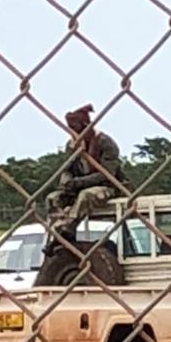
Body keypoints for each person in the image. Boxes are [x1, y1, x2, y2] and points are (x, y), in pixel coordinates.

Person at [46, 105, 125, 246]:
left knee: (86, 195)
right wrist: (67, 183)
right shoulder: (71, 145)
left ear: (85, 127)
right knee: (53, 198)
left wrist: (79, 182)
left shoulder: (105, 142)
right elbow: (67, 169)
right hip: (77, 186)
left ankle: (69, 227)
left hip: (107, 187)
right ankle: (57, 229)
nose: (72, 132)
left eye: (75, 128)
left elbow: (107, 174)